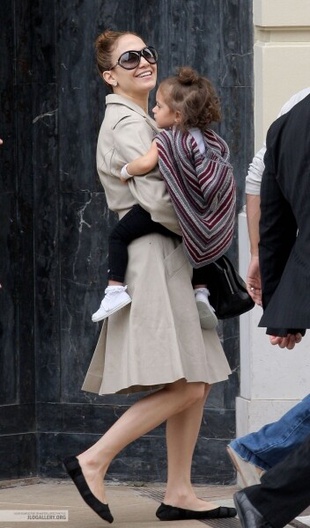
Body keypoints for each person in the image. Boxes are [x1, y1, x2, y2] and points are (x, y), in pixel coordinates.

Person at [63, 30, 236, 524]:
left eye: (147, 53)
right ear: (109, 74)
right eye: (129, 57)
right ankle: (92, 460)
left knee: (196, 380)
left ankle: (178, 491)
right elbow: (160, 202)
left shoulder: (149, 117)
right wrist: (211, 217)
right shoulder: (126, 124)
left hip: (172, 256)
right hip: (154, 256)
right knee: (186, 385)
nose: (144, 62)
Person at [91, 66, 236, 331]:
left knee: (118, 236)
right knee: (199, 248)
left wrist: (124, 171)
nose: (154, 110)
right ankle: (201, 292)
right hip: (199, 210)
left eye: (159, 106)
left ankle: (114, 289)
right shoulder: (211, 140)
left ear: (177, 115)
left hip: (169, 211)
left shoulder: (167, 139)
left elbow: (144, 164)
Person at [233, 91, 310, 527]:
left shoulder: (286, 123)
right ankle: (266, 501)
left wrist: (284, 304)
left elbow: (275, 226)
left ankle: (266, 502)